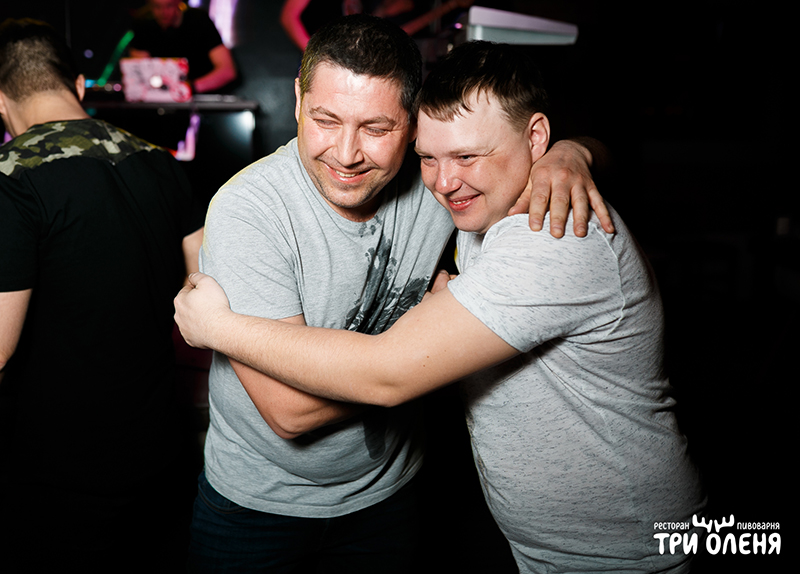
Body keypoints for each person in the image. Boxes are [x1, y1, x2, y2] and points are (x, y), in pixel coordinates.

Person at [175, 40, 706, 573]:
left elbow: (384, 375)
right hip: (266, 505)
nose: (445, 182)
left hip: (625, 546)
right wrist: (577, 152)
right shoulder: (471, 202)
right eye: (429, 158)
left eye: (467, 157)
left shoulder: (548, 234)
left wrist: (216, 327)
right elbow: (290, 407)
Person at [0, 18, 205, 572]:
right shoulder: (160, 160)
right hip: (160, 452)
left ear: (0, 99)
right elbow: (204, 292)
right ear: (79, 85)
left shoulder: (11, 177)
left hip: (55, 473)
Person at [129, 0, 237, 94]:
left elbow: (227, 71)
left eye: (169, 5)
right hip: (161, 101)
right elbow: (139, 71)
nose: (163, 12)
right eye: (156, 6)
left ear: (178, 2)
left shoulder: (198, 20)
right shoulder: (143, 26)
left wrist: (187, 89)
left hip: (201, 101)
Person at [281, 0, 475, 52]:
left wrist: (450, 6)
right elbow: (288, 17)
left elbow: (393, 33)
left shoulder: (367, 15)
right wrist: (316, 55)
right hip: (317, 55)